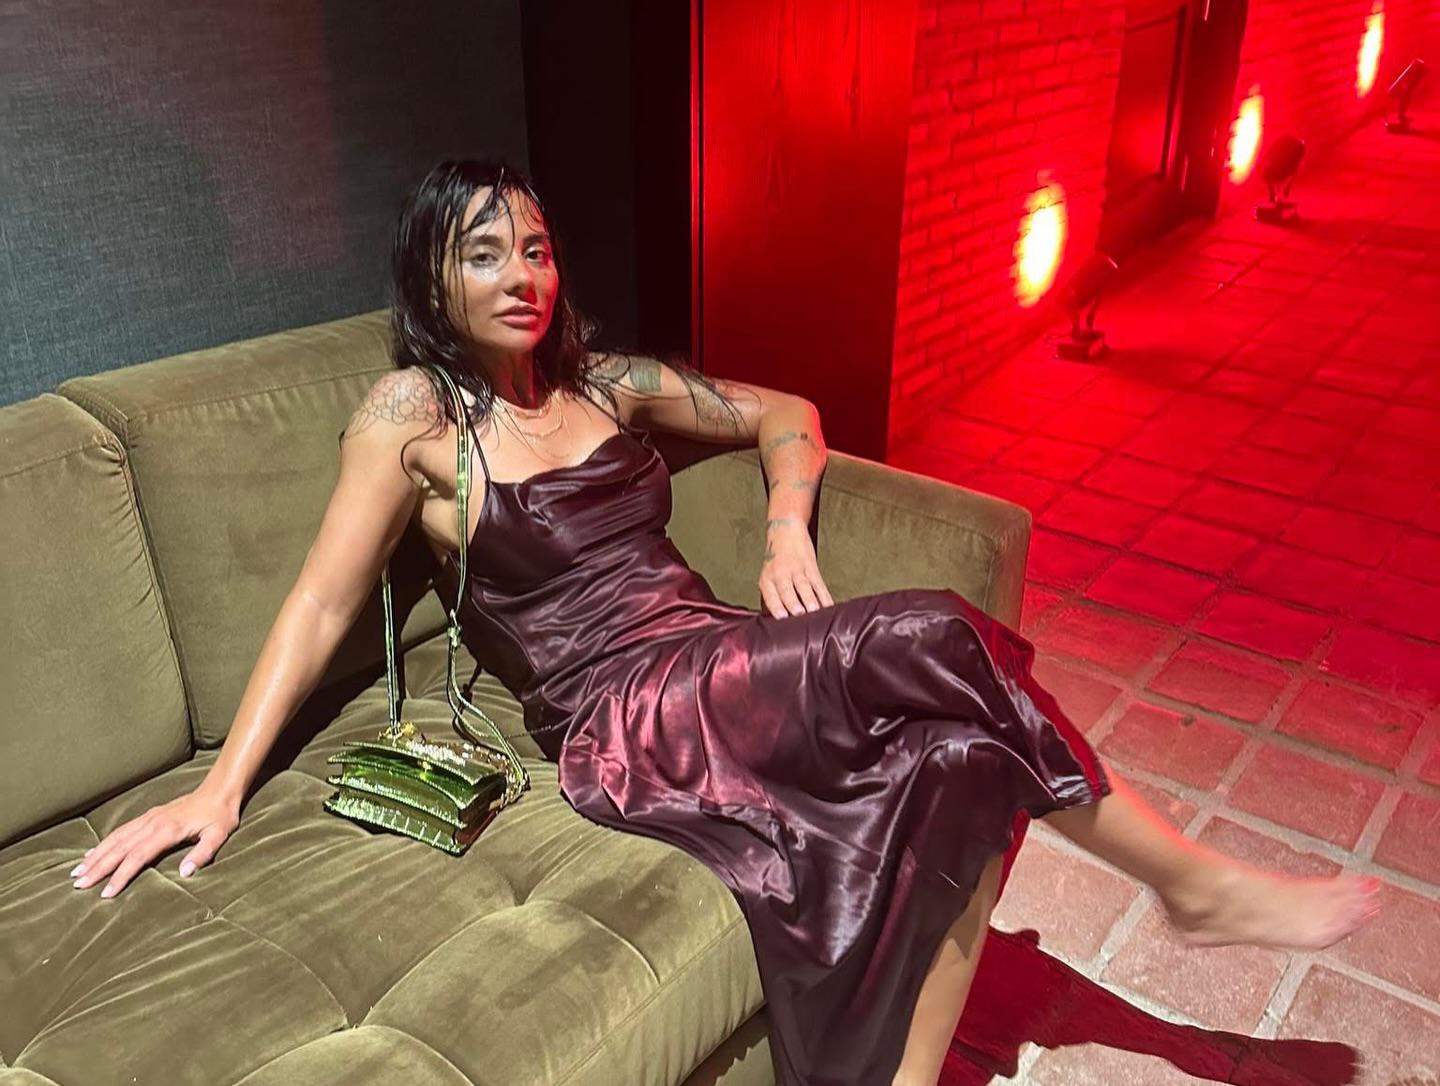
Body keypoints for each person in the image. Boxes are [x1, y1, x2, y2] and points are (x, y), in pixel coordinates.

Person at [70, 160, 1379, 1086]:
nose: (522, 274)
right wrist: (223, 787)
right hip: (620, 718)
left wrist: (786, 529)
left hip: (711, 658)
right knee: (937, 631)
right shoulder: (412, 415)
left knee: (961, 761)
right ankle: (1190, 886)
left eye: (536, 247)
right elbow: (318, 598)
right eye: (484, 252)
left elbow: (787, 411)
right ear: (432, 276)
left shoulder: (606, 384)